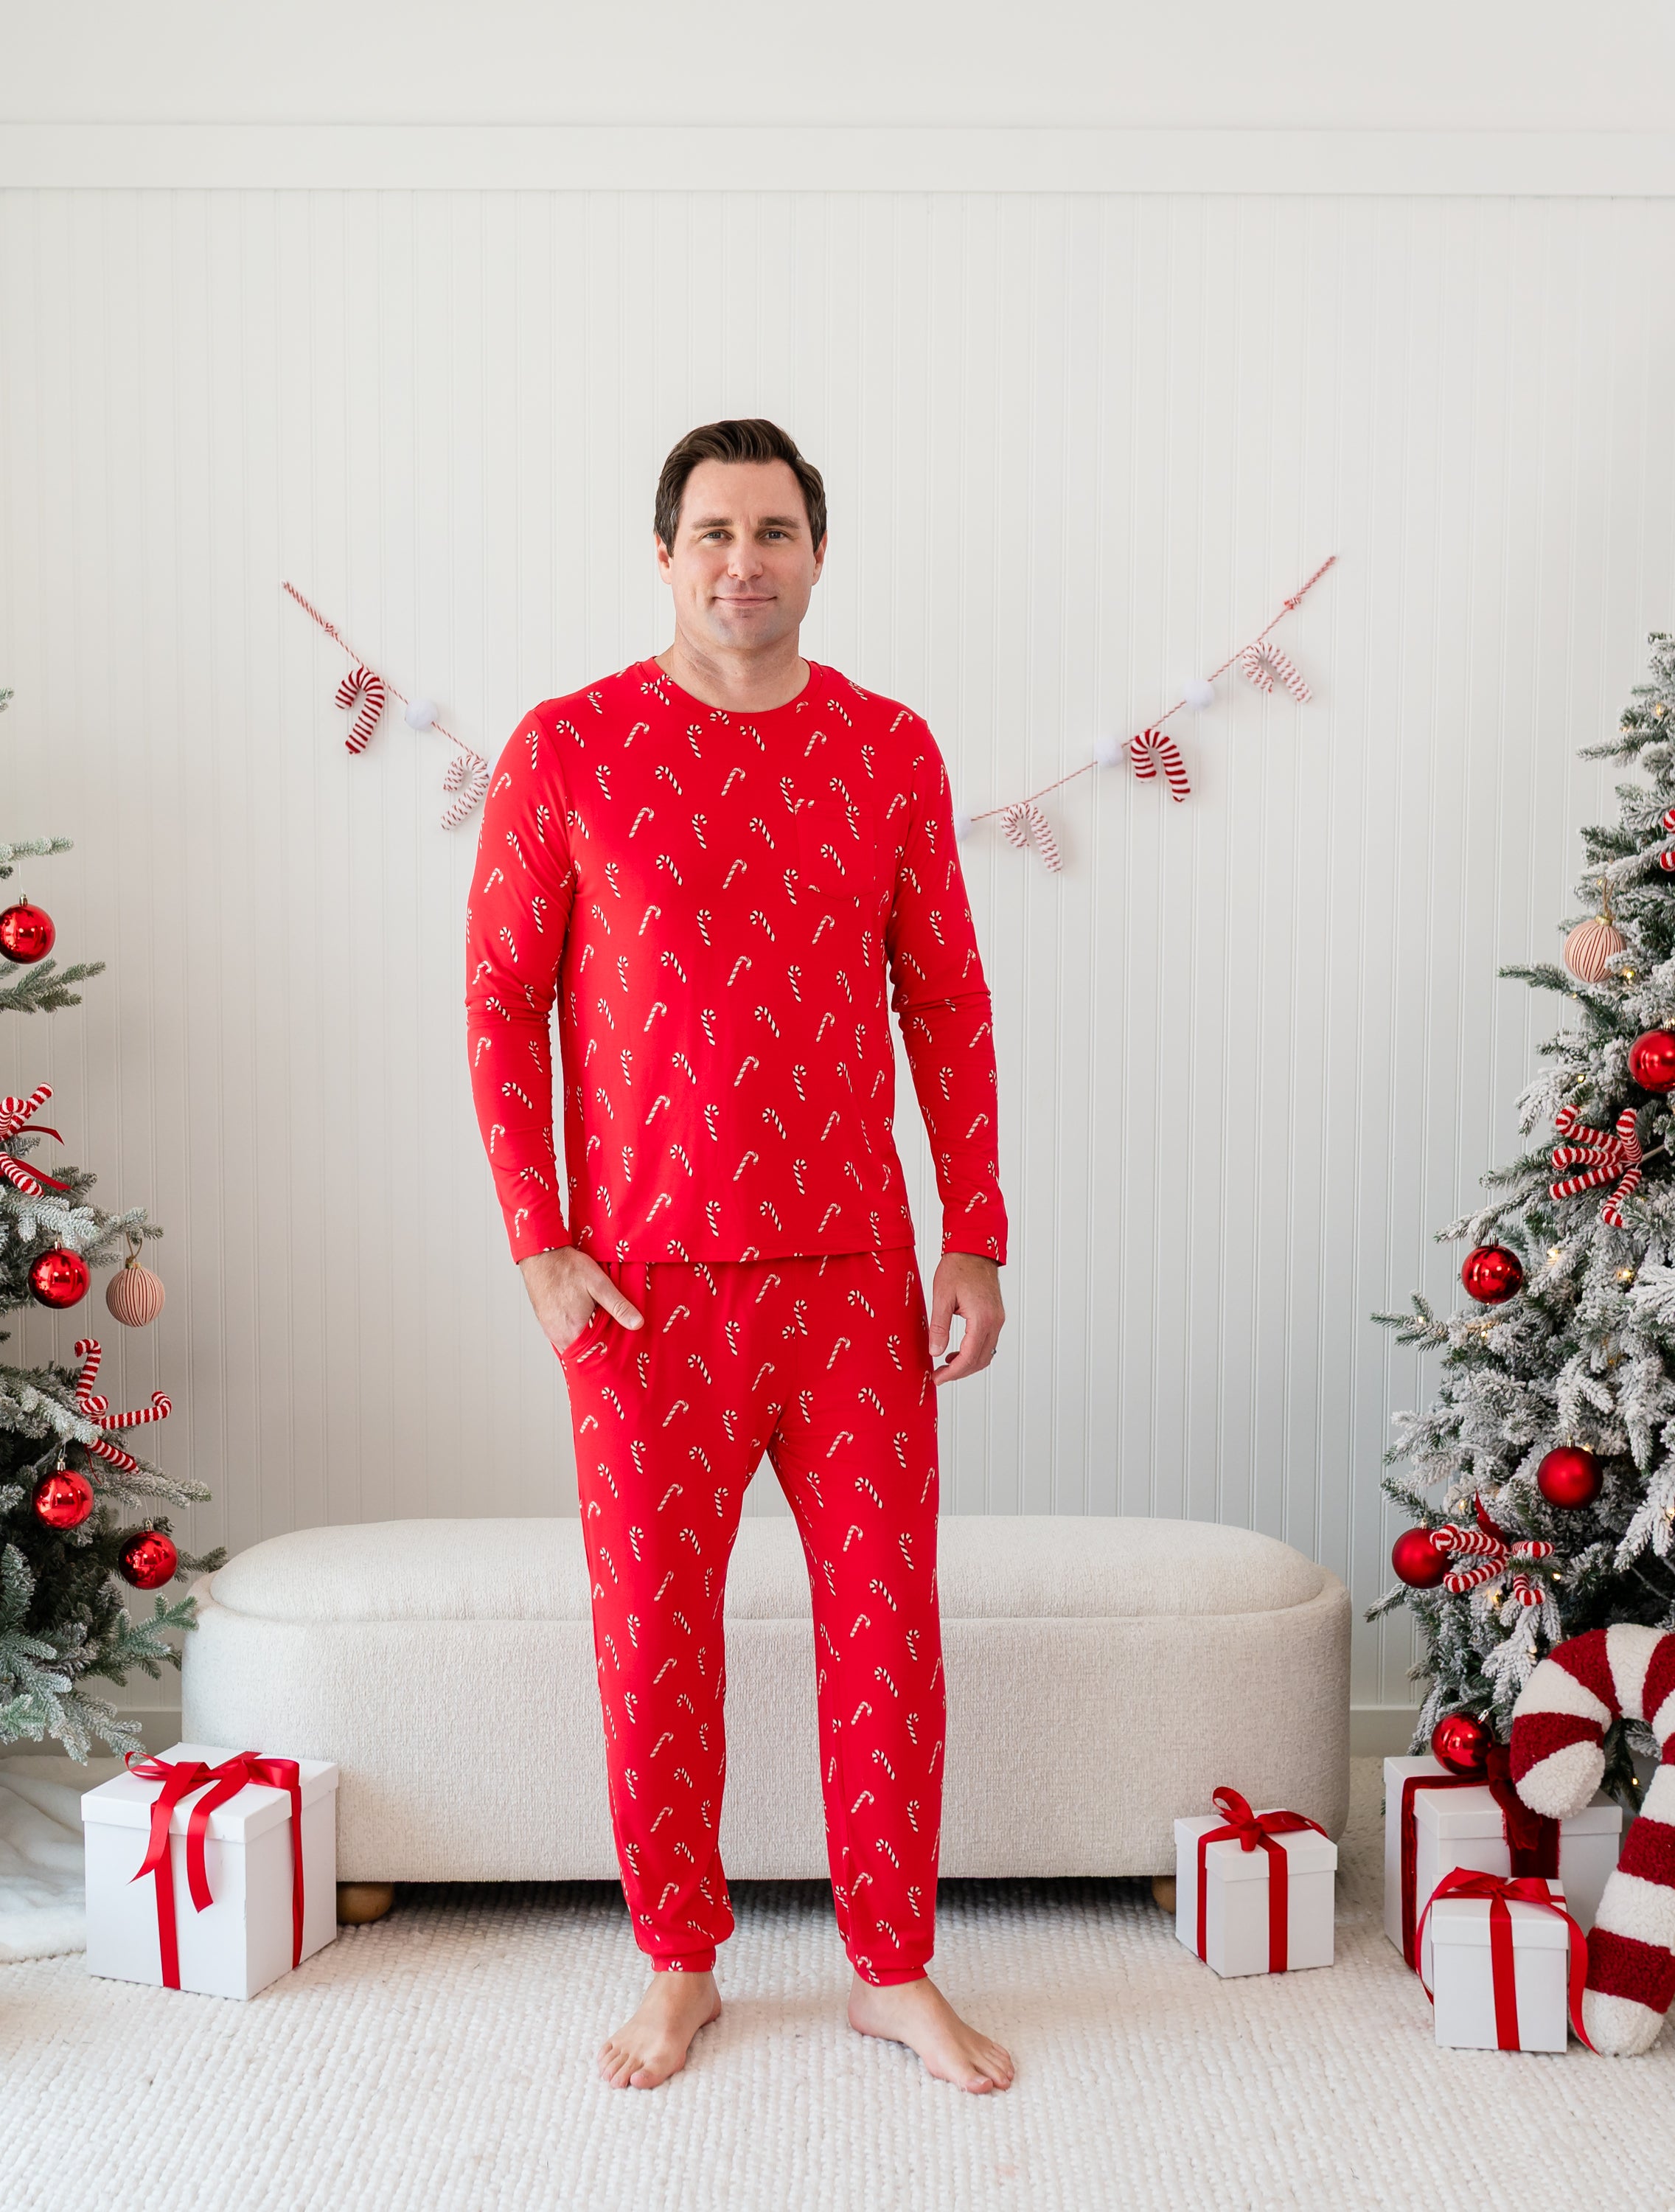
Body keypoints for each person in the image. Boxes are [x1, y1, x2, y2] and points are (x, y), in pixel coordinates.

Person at [464, 418, 1013, 2093]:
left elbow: (948, 999)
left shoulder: (889, 748)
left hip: (853, 1276)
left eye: (774, 530)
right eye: (713, 532)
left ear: (817, 554)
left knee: (885, 1627)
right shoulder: (566, 748)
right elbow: (504, 1000)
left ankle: (892, 1968)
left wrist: (975, 1237)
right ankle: (679, 1962)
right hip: (639, 1290)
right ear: (664, 556)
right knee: (652, 1632)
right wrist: (540, 1246)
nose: (742, 561)